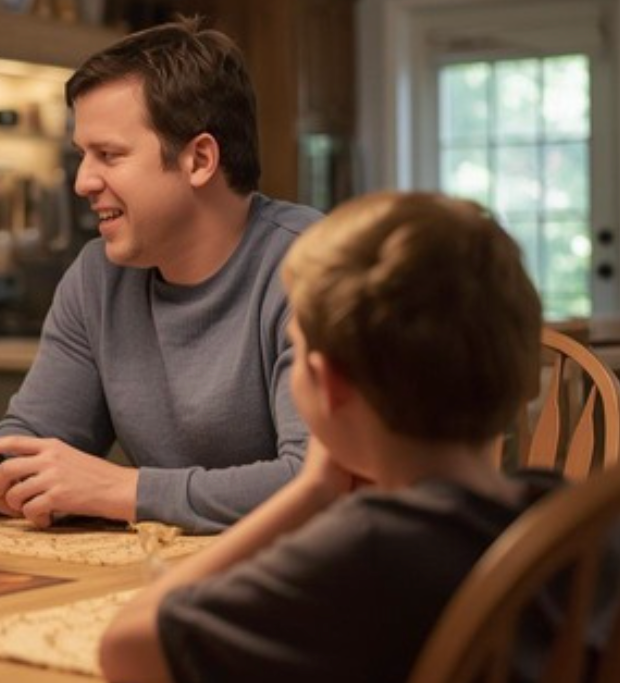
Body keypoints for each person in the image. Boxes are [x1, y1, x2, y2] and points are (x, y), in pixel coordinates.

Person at [99, 192, 610, 683]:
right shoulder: (574, 520)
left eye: (295, 350)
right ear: (522, 369)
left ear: (328, 385)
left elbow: (127, 648)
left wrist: (310, 491)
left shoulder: (367, 548)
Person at [0, 17, 319, 533]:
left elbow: (316, 483)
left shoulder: (315, 268)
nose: (82, 182)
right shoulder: (97, 278)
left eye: (108, 155)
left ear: (199, 159)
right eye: (83, 156)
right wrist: (9, 474)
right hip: (162, 570)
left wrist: (124, 491)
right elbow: (24, 447)